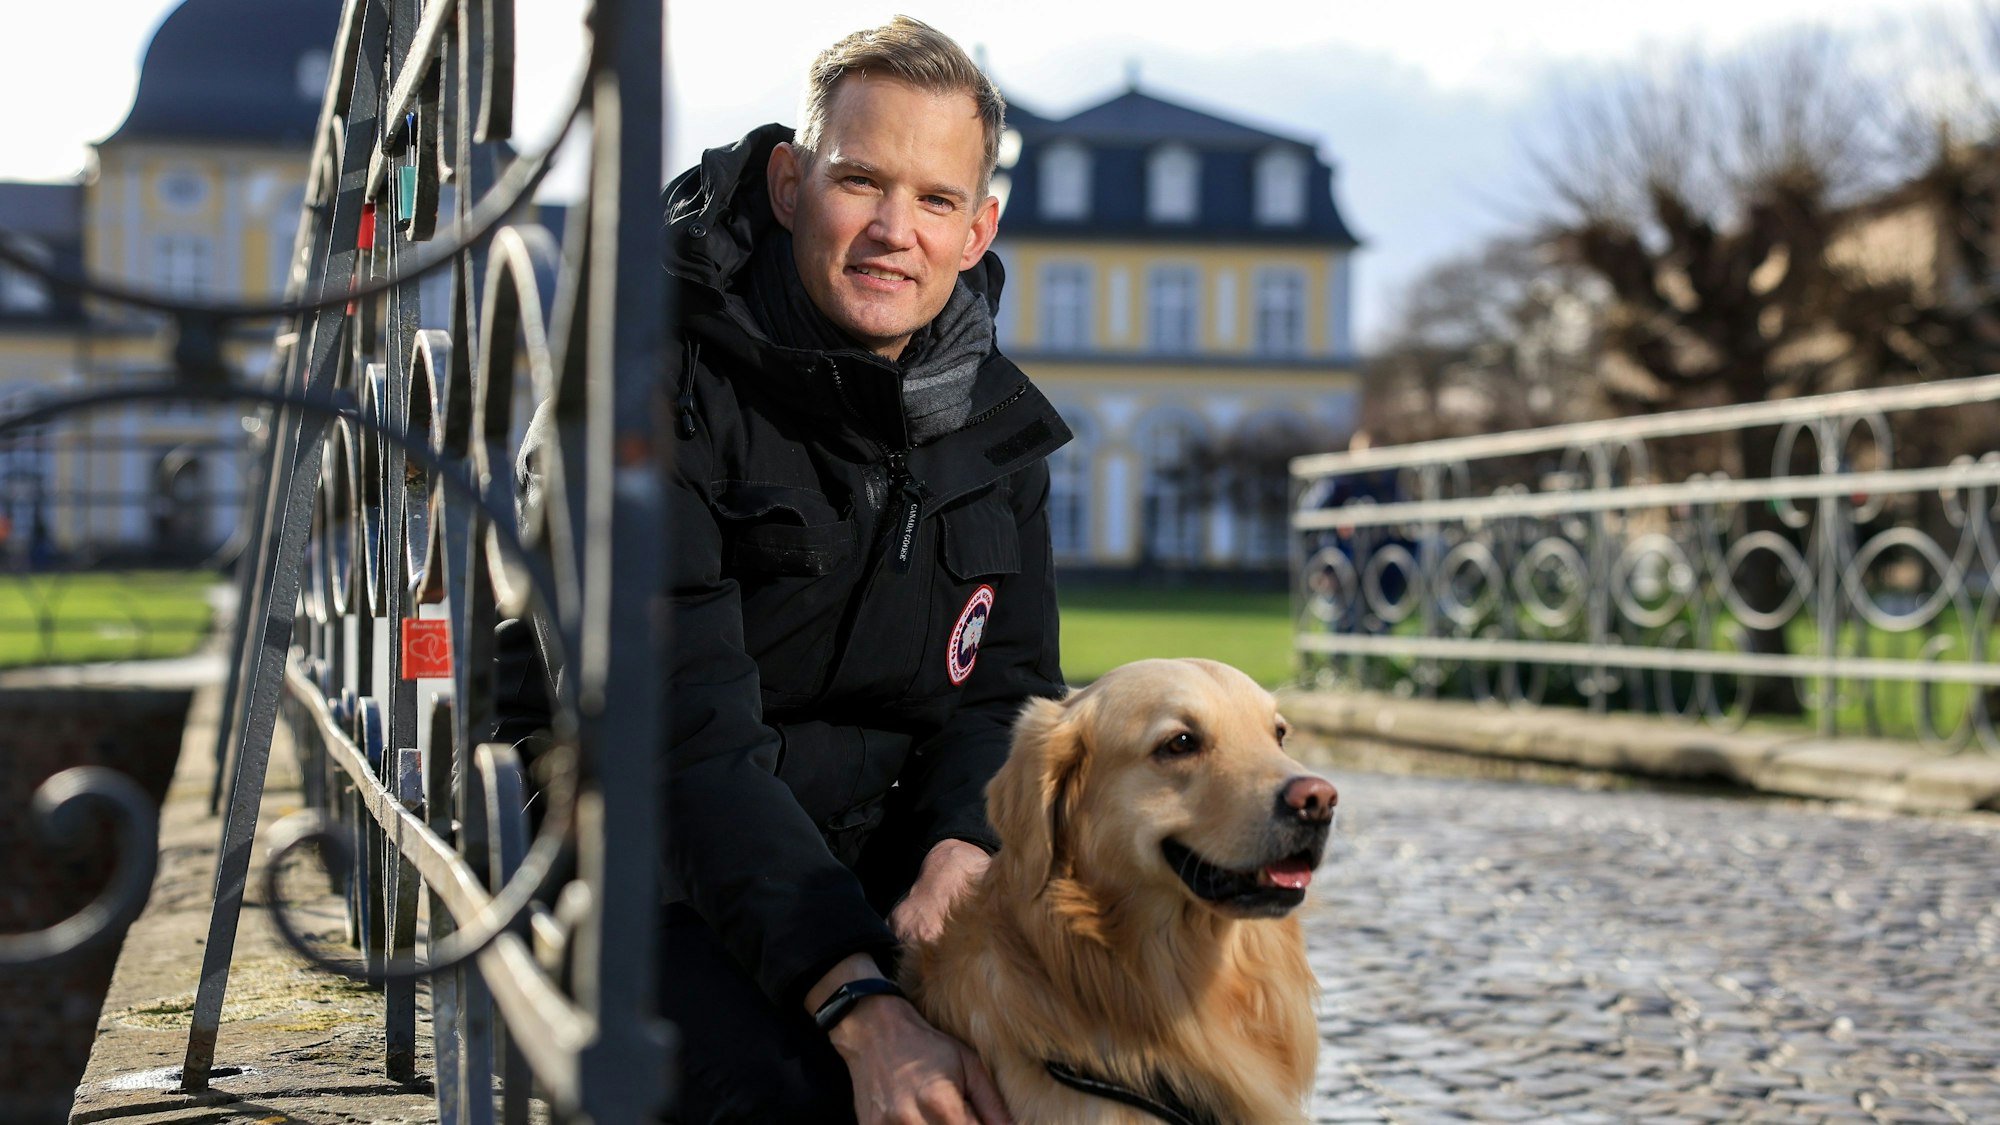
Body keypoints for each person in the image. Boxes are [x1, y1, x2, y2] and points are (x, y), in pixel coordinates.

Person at [497, 16, 1068, 1124]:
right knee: (812, 1101)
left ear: (976, 226)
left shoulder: (993, 427)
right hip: (630, 870)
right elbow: (678, 740)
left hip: (871, 869)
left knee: (1072, 1072)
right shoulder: (643, 383)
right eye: (861, 182)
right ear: (791, 181)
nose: (893, 232)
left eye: (936, 200)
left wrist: (962, 839)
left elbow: (1009, 694)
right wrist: (858, 999)